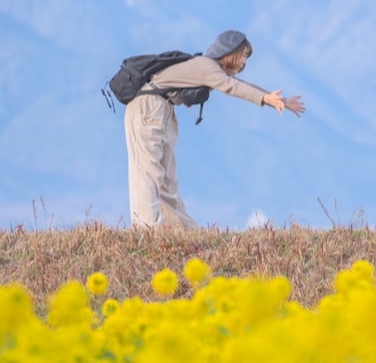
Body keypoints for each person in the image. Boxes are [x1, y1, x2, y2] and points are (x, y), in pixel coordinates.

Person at [124, 29, 305, 229]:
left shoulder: (209, 68)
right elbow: (232, 87)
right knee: (148, 171)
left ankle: (182, 230)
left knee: (167, 178)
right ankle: (146, 229)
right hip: (148, 108)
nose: (245, 62)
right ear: (231, 52)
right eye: (243, 55)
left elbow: (237, 83)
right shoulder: (206, 66)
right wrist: (265, 99)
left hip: (162, 110)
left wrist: (280, 101)